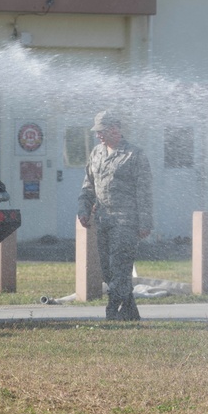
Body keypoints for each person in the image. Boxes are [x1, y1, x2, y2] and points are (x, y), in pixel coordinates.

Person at [77, 110, 153, 321]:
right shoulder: (96, 153)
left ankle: (113, 310)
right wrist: (83, 209)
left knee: (120, 266)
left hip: (126, 221)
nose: (97, 135)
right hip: (103, 220)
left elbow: (144, 192)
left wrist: (145, 222)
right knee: (107, 270)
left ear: (115, 129)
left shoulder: (134, 155)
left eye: (101, 131)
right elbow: (88, 186)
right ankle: (129, 311)